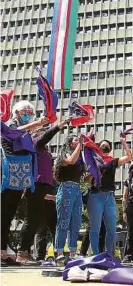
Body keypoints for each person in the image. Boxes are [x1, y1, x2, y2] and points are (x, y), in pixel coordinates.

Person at [1, 101, 47, 266]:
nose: (27, 114)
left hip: (19, 178)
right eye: (24, 111)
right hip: (6, 175)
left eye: (30, 111)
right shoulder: (10, 126)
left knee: (9, 215)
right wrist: (37, 124)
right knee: (3, 215)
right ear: (16, 112)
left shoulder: (27, 133)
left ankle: (4, 253)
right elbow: (13, 134)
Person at [16, 120, 69, 264]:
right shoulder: (35, 144)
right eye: (41, 131)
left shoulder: (44, 150)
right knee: (31, 219)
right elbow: (45, 137)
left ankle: (26, 252)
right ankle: (22, 253)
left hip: (43, 185)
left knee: (36, 220)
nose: (43, 132)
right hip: (35, 185)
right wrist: (57, 127)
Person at [87, 137, 132, 256]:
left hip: (109, 197)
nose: (104, 147)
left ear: (110, 149)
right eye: (102, 145)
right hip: (96, 195)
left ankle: (109, 254)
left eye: (106, 145)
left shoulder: (112, 161)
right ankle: (95, 254)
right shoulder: (93, 160)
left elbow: (129, 157)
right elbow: (87, 178)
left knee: (112, 228)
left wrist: (123, 142)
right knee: (95, 228)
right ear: (98, 148)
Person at [54, 134, 84, 263]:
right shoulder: (64, 154)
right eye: (76, 140)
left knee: (76, 222)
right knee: (64, 221)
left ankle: (72, 252)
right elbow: (70, 160)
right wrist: (80, 145)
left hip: (77, 189)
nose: (78, 142)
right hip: (66, 187)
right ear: (69, 143)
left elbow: (84, 172)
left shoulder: (80, 157)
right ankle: (59, 251)